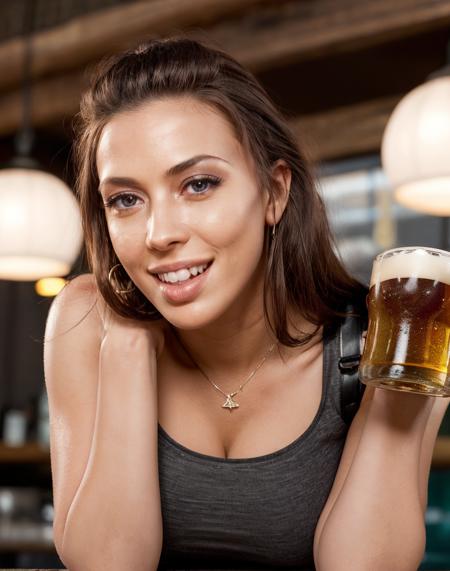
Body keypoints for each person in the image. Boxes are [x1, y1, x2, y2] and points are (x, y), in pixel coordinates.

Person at [43, 37, 449, 571]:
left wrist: (393, 390)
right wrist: (126, 343)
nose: (158, 234)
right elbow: (107, 564)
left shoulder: (386, 338)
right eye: (125, 199)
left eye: (198, 184)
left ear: (274, 193)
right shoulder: (85, 321)